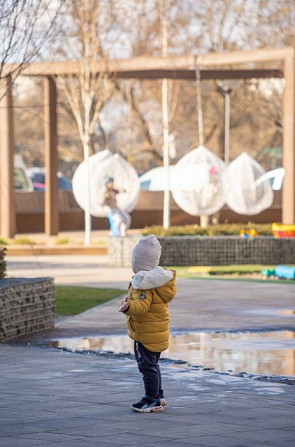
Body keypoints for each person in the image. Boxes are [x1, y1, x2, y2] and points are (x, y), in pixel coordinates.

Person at [119, 234, 176, 413]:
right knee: (153, 364)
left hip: (146, 333)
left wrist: (128, 307)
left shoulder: (143, 283)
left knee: (146, 366)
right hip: (157, 330)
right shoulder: (157, 280)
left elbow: (142, 307)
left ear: (138, 262)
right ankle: (158, 395)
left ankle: (151, 399)